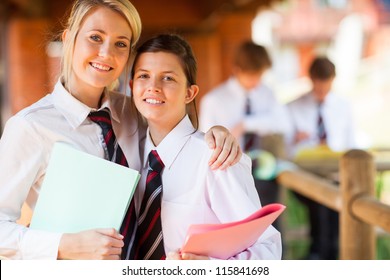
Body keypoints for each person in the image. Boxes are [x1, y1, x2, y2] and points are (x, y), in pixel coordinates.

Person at [0, 0, 242, 260]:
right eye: (95, 37)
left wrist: (216, 132)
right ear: (69, 38)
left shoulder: (134, 111)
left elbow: (177, 135)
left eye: (121, 44)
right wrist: (61, 245)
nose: (106, 53)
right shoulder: (30, 127)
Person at [130, 33, 282, 260]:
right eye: (144, 76)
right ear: (132, 85)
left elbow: (268, 250)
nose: (153, 87)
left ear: (190, 93)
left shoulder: (217, 159)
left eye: (168, 78)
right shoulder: (125, 154)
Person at [199, 41, 290, 230]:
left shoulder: (267, 94)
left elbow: (283, 123)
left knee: (271, 226)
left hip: (265, 172)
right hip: (230, 173)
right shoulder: (214, 100)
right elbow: (204, 143)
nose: (255, 81)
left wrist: (247, 124)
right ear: (237, 70)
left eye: (259, 75)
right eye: (251, 75)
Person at [286, 56, 357, 260]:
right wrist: (296, 139)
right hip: (307, 175)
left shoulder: (344, 106)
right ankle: (321, 252)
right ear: (311, 80)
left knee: (334, 204)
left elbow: (351, 144)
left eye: (326, 88)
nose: (322, 93)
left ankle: (326, 254)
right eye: (318, 88)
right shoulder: (293, 107)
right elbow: (285, 150)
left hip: (336, 173)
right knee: (321, 201)